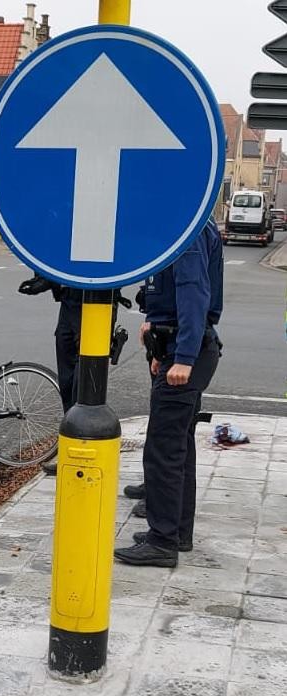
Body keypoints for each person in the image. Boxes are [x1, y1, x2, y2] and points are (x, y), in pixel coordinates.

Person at [114, 219, 224, 568]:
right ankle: (176, 532)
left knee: (163, 451)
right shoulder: (193, 226)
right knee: (179, 447)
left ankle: (162, 542)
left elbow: (194, 294)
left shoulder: (186, 231)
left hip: (185, 351)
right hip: (179, 346)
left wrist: (183, 358)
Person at [18, 276, 130, 474]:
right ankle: (69, 452)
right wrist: (46, 280)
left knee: (83, 385)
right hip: (68, 308)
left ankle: (84, 452)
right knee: (67, 383)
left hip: (95, 307)